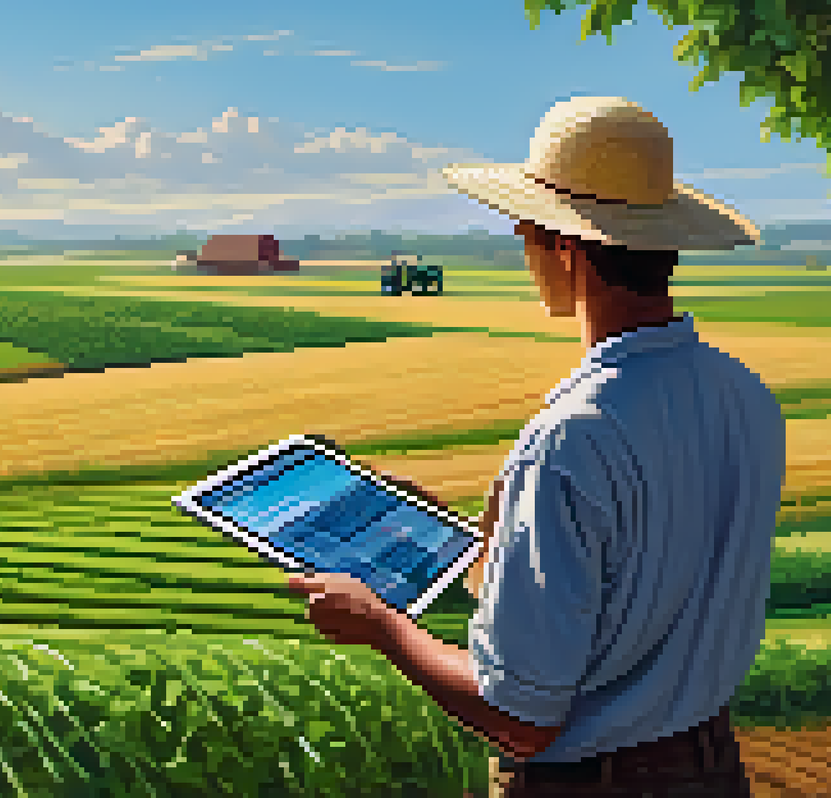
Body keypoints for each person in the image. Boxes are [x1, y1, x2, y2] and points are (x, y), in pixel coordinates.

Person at [287, 96, 785, 796]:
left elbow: (520, 721)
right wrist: (476, 540)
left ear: (565, 246)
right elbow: (633, 583)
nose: (521, 240)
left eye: (527, 226)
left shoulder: (571, 440)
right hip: (711, 769)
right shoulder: (745, 395)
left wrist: (380, 625)